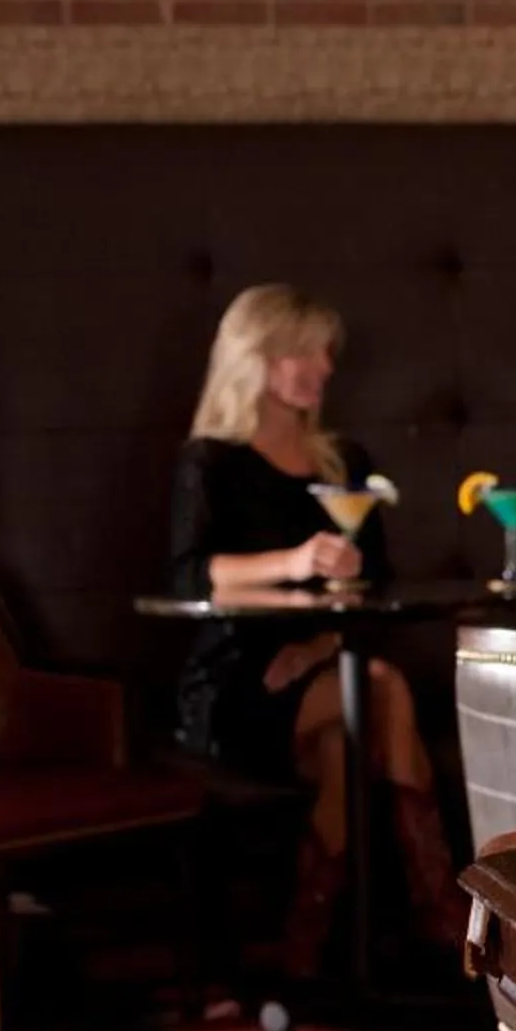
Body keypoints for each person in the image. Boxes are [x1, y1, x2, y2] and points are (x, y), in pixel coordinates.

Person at [168, 283, 457, 976]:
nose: (323, 368)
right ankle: (440, 911)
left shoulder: (343, 463)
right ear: (255, 358)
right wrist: (294, 562)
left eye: (326, 354)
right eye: (304, 353)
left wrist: (319, 646)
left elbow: (373, 585)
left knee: (342, 740)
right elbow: (191, 575)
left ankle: (312, 948)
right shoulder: (212, 462)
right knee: (380, 689)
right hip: (237, 683)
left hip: (324, 668)